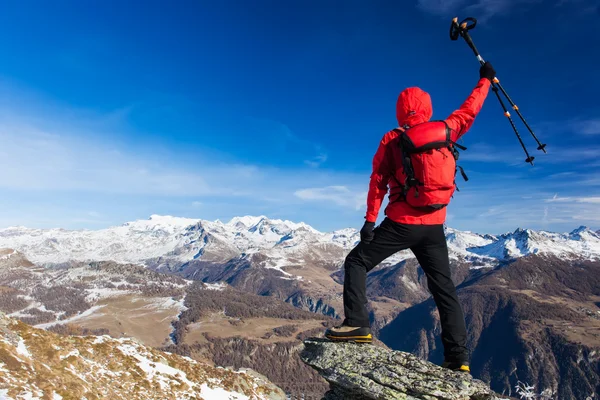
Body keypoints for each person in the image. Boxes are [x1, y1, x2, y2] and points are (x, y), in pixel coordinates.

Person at [325, 61, 496, 373]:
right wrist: (485, 80)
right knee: (444, 289)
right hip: (434, 226)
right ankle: (459, 360)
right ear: (427, 108)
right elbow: (470, 109)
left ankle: (357, 325)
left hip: (401, 222)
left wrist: (369, 220)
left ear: (400, 111)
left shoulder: (392, 139)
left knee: (356, 262)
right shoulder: (447, 128)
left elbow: (377, 181)